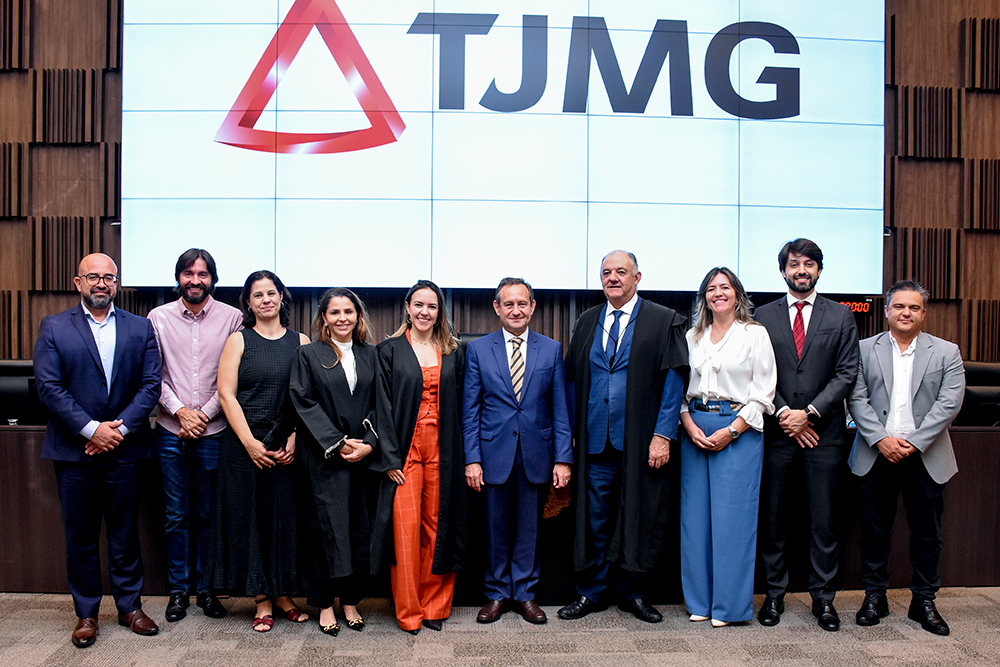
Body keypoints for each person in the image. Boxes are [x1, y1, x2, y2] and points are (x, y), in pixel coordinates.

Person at [33, 253, 162, 648]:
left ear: (116, 284)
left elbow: (151, 385)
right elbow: (49, 387)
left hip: (125, 450)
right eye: (93, 277)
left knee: (125, 534)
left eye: (109, 277)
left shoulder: (140, 327)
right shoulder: (55, 326)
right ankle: (86, 613)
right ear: (78, 282)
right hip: (75, 453)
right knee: (81, 536)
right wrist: (91, 429)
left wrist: (116, 430)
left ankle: (130, 607)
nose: (101, 283)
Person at [558, 250, 688, 623]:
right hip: (595, 441)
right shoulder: (586, 321)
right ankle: (591, 592)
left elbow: (674, 383)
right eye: (606, 272)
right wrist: (572, 434)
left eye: (621, 271)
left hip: (641, 442)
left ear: (637, 277)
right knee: (594, 520)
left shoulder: (664, 320)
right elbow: (572, 381)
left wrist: (663, 434)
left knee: (639, 517)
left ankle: (634, 594)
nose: (612, 278)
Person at [847, 280, 965, 635]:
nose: (906, 313)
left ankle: (923, 601)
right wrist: (882, 439)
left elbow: (949, 403)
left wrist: (913, 442)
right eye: (899, 306)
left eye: (914, 307)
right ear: (886, 311)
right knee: (874, 531)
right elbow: (856, 398)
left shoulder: (946, 352)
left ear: (924, 313)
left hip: (926, 456)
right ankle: (875, 597)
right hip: (875, 453)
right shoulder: (863, 349)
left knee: (927, 534)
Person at [754, 238, 860, 631]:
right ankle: (774, 595)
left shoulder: (841, 315)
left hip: (824, 436)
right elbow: (757, 372)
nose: (802, 270)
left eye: (809, 264)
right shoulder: (762, 316)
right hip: (777, 433)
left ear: (819, 269)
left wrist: (810, 414)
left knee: (824, 522)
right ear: (783, 270)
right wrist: (786, 413)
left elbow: (846, 374)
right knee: (774, 521)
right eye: (794, 264)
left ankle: (824, 599)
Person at [462, 278, 573, 625]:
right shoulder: (478, 350)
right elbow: (470, 410)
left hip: (537, 454)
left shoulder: (551, 349)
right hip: (493, 454)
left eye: (522, 303)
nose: (516, 310)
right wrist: (472, 458)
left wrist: (563, 458)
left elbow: (560, 409)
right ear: (497, 308)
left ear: (532, 307)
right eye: (508, 304)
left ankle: (525, 593)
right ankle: (496, 593)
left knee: (529, 529)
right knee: (494, 529)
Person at [210, 270, 310, 632]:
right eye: (258, 295)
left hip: (287, 446)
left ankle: (283, 595)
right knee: (251, 523)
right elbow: (226, 394)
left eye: (271, 293)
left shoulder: (301, 341)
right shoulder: (239, 340)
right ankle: (262, 600)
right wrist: (249, 442)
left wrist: (295, 437)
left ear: (282, 297)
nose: (266, 300)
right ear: (248, 303)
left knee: (284, 522)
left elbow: (307, 397)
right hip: (244, 447)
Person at [148, 248, 242, 622]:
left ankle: (206, 589)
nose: (195, 280)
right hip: (170, 431)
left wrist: (202, 415)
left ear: (212, 279)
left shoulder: (232, 318)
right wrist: (181, 413)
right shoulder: (158, 318)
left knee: (207, 516)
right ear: (178, 278)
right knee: (175, 515)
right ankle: (178, 591)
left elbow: (233, 376)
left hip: (213, 431)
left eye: (202, 274)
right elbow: (152, 374)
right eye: (188, 273)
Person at [679, 267, 776, 627]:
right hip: (694, 430)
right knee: (694, 521)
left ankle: (729, 608)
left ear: (737, 295)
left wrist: (731, 432)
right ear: (704, 297)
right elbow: (679, 390)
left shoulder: (754, 334)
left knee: (733, 522)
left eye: (725, 287)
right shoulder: (692, 336)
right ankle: (700, 602)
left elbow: (763, 394)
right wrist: (688, 425)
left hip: (738, 430)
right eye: (711, 288)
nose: (718, 293)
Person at [373, 280, 467, 634]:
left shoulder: (453, 351)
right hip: (405, 450)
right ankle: (409, 611)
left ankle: (434, 607)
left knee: (437, 528)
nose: (425, 312)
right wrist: (390, 458)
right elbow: (381, 406)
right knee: (406, 531)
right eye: (419, 305)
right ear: (408, 308)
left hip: (443, 450)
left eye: (432, 306)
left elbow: (462, 404)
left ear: (439, 312)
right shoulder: (389, 350)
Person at [290, 288, 383, 636]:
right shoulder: (309, 355)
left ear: (358, 316)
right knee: (326, 532)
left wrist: (369, 444)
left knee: (358, 531)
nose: (342, 318)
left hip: (362, 459)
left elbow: (381, 403)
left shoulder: (372, 354)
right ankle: (325, 604)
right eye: (335, 312)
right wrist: (337, 442)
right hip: (324, 458)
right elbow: (303, 401)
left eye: (349, 312)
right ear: (324, 318)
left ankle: (351, 601)